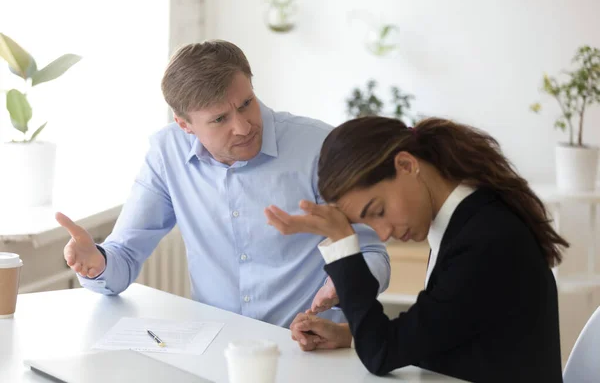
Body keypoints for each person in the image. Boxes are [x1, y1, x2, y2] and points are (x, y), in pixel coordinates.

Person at [54, 40, 390, 328]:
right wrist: (97, 263)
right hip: (217, 352)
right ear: (185, 124)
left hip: (311, 348)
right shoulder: (166, 153)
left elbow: (373, 252)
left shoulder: (320, 146)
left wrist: (346, 283)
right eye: (219, 119)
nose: (243, 127)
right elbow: (124, 256)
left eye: (246, 104)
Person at [265, 116, 566, 382]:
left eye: (378, 210)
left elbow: (381, 356)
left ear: (407, 165)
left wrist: (344, 244)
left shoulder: (484, 241)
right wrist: (351, 335)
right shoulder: (466, 218)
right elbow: (438, 330)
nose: (382, 234)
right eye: (367, 222)